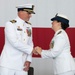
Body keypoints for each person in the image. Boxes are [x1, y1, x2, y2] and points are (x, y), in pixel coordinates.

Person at [0, 3, 35, 75]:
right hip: (9, 64)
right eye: (28, 13)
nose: (30, 15)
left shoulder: (29, 26)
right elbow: (14, 42)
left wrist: (28, 60)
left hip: (22, 64)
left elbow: (30, 43)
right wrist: (31, 50)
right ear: (20, 12)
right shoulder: (10, 24)